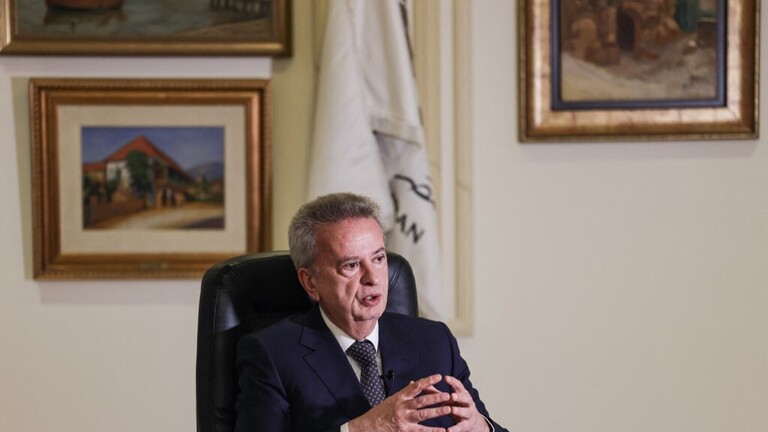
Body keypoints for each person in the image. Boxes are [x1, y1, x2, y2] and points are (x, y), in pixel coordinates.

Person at [235, 193, 508, 432]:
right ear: (310, 282)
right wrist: (361, 429)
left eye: (378, 258)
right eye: (351, 265)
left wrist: (479, 426)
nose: (373, 278)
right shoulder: (272, 354)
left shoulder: (435, 341)